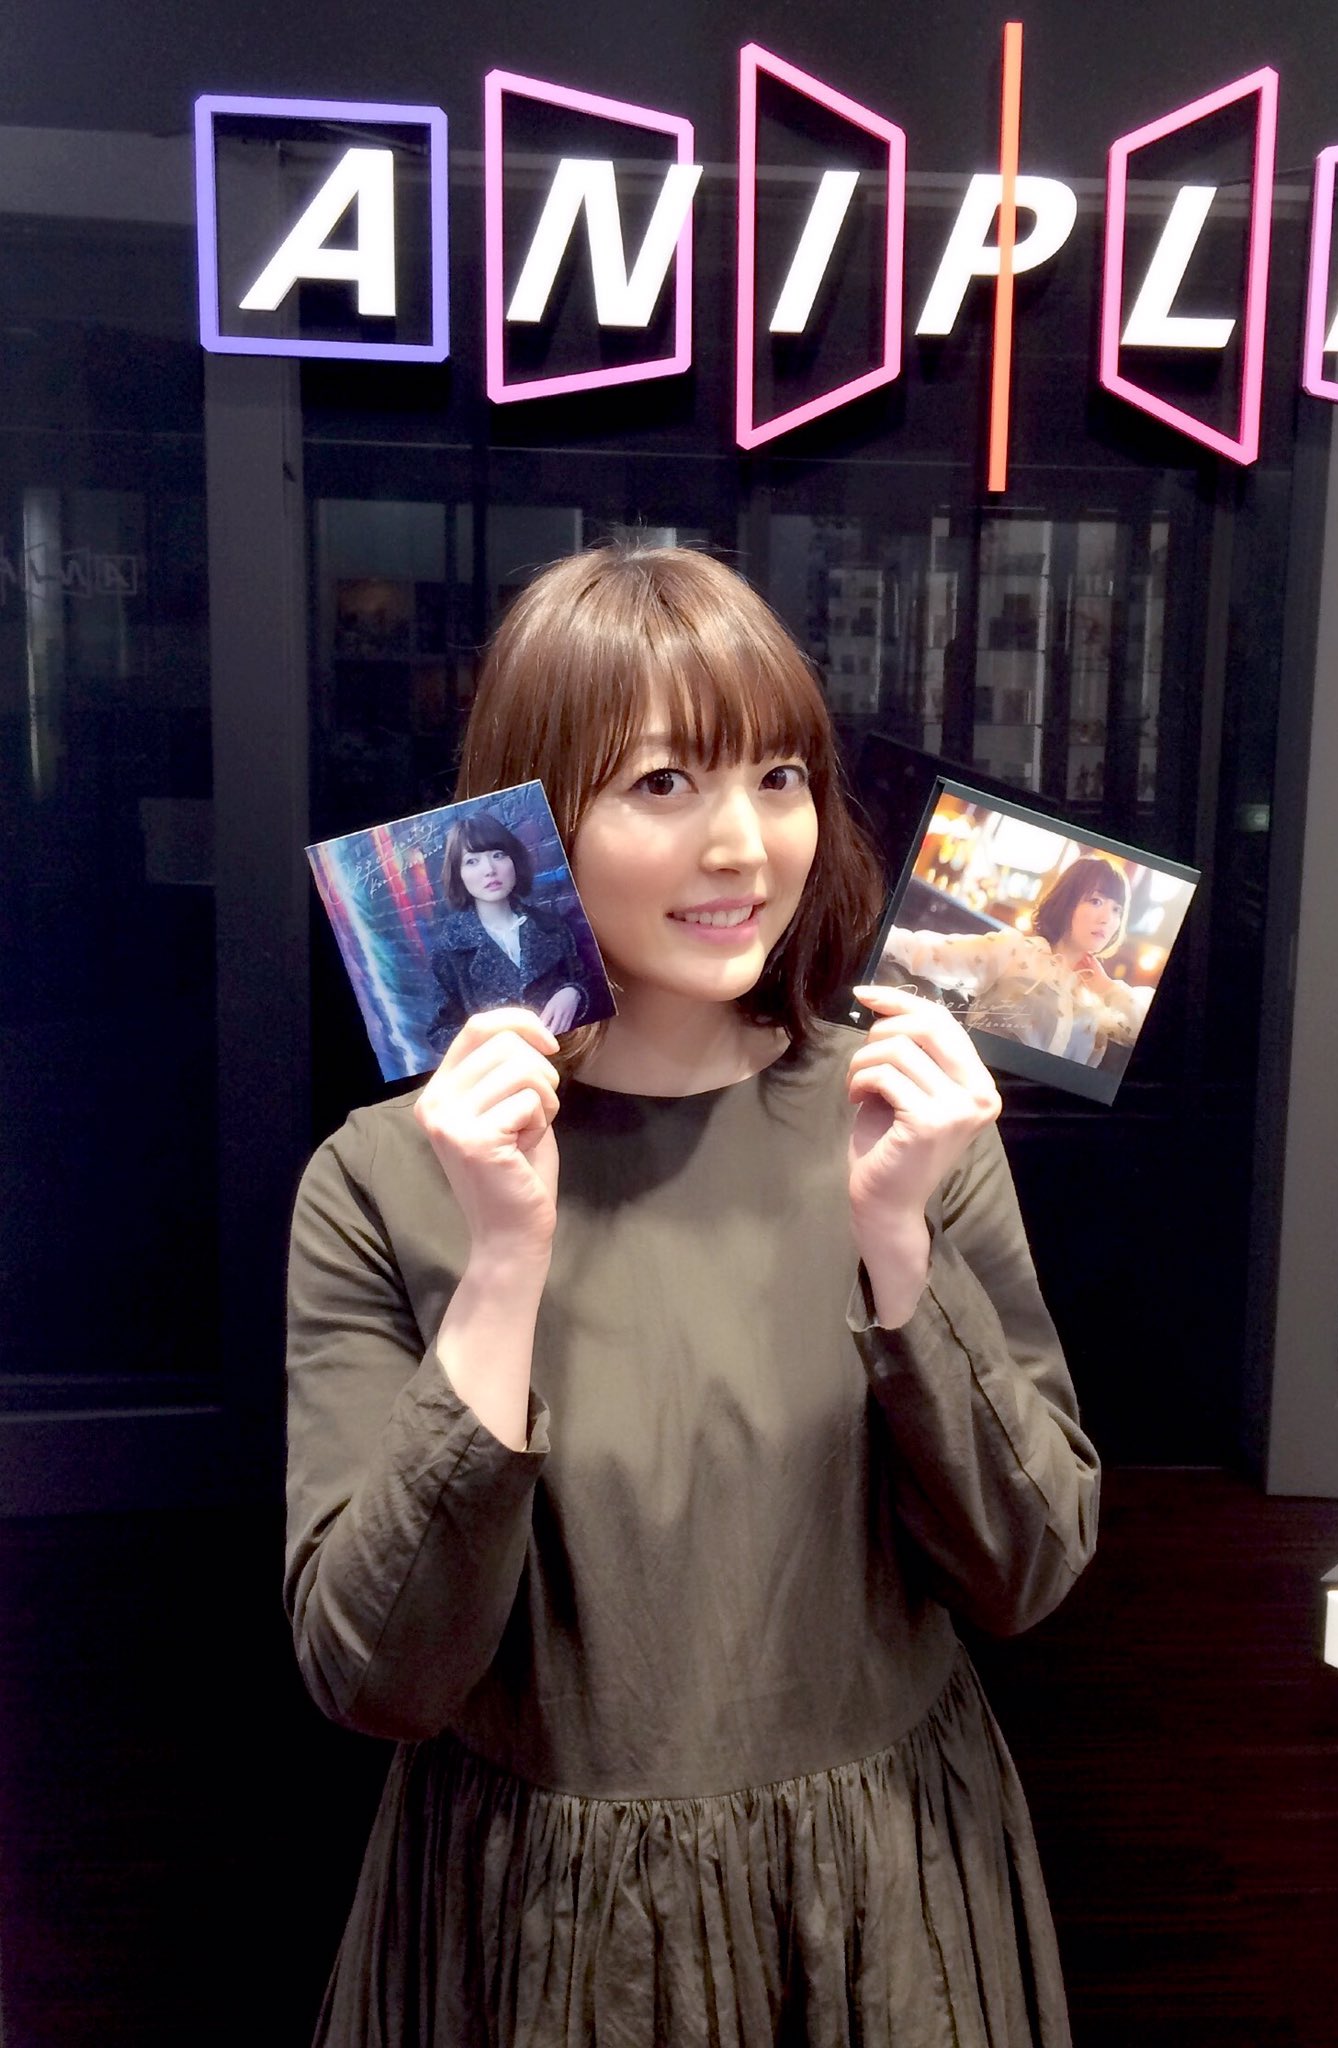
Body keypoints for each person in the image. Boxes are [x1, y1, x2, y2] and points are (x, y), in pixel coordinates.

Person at [285, 545, 1100, 2048]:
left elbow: (1029, 1570)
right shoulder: (382, 1178)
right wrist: (503, 1260)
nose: (742, 845)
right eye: (662, 782)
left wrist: (896, 1239)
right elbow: (373, 1672)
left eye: (778, 776)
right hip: (533, 1928)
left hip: (878, 1908)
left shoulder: (907, 1129)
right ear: (529, 821)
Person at [880, 854, 1151, 1066]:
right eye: (1096, 901)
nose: (1107, 919)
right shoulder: (1015, 951)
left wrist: (1108, 989)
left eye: (1117, 910)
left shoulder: (1100, 997)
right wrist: (872, 932)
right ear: (1068, 902)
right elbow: (924, 952)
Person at [425, 810, 591, 1054]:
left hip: (575, 1054)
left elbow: (584, 979)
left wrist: (574, 993)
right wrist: (493, 1037)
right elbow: (439, 1032)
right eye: (472, 861)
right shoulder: (449, 950)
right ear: (458, 874)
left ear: (514, 861)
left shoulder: (551, 927)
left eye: (498, 855)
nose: (489, 869)